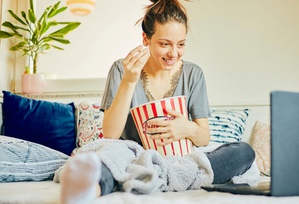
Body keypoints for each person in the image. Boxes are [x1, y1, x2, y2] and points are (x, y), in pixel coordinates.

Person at [59, 0, 255, 203]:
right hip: (133, 157)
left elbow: (204, 137)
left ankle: (148, 177)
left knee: (243, 151)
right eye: (164, 44)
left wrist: (187, 129)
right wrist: (129, 81)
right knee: (110, 155)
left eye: (181, 44)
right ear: (146, 39)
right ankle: (95, 188)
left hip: (182, 160)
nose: (173, 53)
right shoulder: (122, 69)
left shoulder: (193, 74)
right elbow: (110, 134)